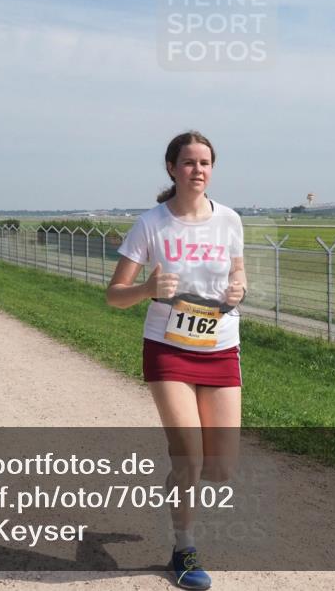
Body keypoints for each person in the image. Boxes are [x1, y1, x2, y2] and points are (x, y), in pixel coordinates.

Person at [106, 131, 246, 591]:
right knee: (189, 455)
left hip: (220, 346)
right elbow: (114, 296)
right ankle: (183, 547)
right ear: (171, 168)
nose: (198, 170)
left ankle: (177, 478)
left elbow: (238, 275)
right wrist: (147, 289)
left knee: (219, 467)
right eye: (188, 162)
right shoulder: (152, 224)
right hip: (168, 348)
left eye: (205, 162)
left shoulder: (230, 221)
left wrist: (238, 290)